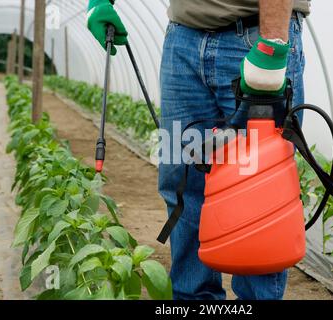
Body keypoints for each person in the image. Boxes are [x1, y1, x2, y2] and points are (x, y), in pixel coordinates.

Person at [87, 0, 310, 300]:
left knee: (259, 199)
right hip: (184, 40)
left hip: (254, 38)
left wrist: (272, 43)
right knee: (183, 186)